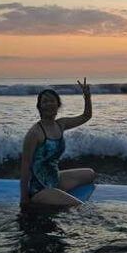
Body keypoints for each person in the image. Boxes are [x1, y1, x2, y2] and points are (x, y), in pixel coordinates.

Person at [19, 80, 95, 210]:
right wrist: (24, 198)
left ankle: (56, 192)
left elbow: (86, 116)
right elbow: (25, 166)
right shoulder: (35, 133)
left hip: (55, 179)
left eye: (52, 101)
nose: (49, 104)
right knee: (78, 206)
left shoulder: (60, 124)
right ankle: (45, 197)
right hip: (40, 189)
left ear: (58, 105)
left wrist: (87, 97)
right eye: (45, 101)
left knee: (90, 174)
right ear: (39, 107)